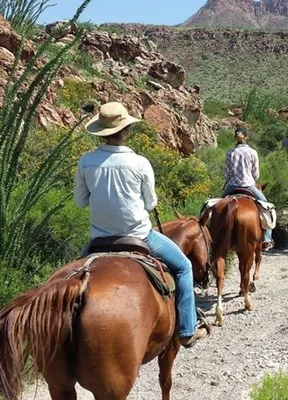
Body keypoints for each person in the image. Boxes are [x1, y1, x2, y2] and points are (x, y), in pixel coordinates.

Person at [74, 102, 208, 348]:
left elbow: (80, 202)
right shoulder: (140, 162)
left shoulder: (86, 162)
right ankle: (187, 330)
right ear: (125, 130)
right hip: (139, 237)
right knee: (184, 267)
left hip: (99, 241)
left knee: (70, 277)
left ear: (101, 132)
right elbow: (150, 203)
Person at [221, 126, 274, 251]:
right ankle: (267, 239)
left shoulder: (230, 152)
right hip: (249, 186)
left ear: (235, 137)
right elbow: (256, 174)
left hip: (232, 186)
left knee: (218, 206)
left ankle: (215, 236)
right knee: (268, 207)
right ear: (246, 137)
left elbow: (226, 174)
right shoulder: (253, 152)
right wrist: (250, 179)